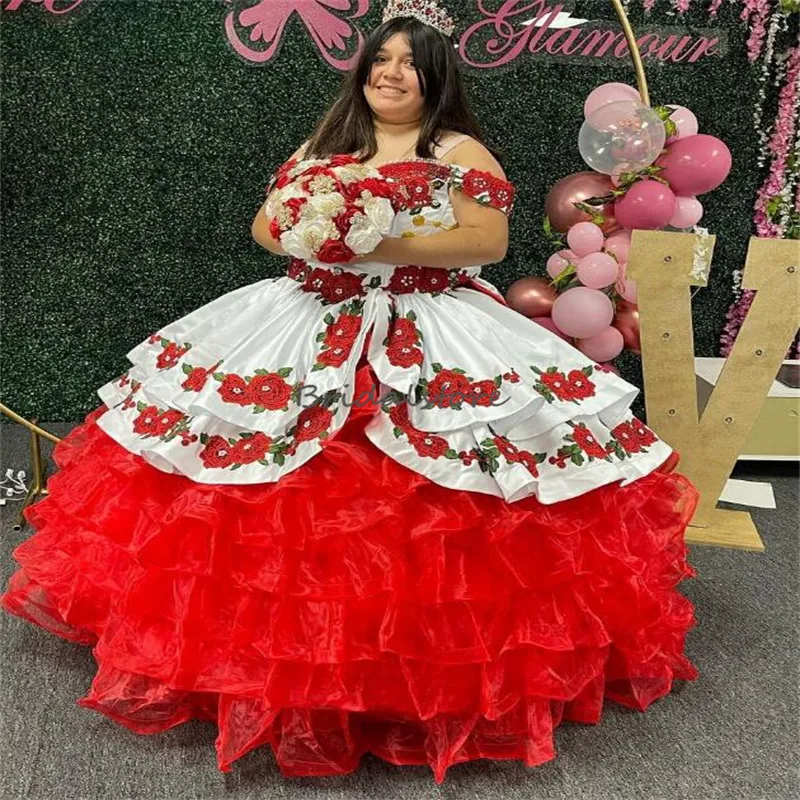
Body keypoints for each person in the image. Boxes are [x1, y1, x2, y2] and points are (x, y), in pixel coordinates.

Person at [1, 0, 700, 784]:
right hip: (308, 311)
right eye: (381, 61)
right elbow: (268, 224)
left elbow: (486, 241)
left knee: (444, 491)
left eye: (409, 63)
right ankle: (257, 662)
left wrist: (378, 236)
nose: (391, 74)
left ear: (435, 78)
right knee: (248, 472)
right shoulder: (328, 142)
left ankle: (411, 677)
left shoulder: (459, 148)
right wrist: (316, 236)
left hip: (427, 320)